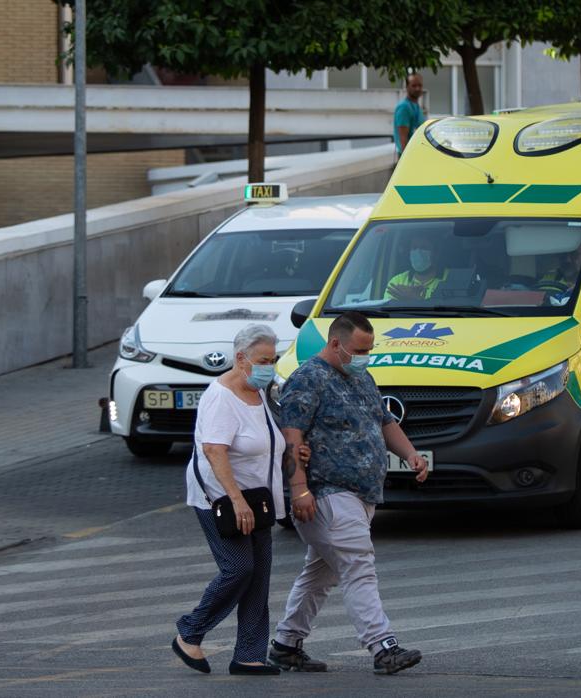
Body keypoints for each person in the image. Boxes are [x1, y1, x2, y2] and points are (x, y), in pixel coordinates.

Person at [268, 311, 430, 675]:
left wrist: (410, 454)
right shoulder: (308, 379)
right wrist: (299, 491)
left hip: (361, 495)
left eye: (369, 350)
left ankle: (285, 644)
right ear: (336, 343)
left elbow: (384, 421)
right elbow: (291, 438)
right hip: (326, 493)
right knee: (358, 564)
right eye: (360, 350)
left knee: (319, 574)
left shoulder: (362, 377)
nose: (365, 357)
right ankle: (382, 645)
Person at [172, 324, 306, 677]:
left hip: (258, 499)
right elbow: (214, 451)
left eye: (273, 359)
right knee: (239, 569)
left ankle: (249, 655)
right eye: (263, 359)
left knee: (258, 576)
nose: (270, 366)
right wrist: (236, 500)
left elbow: (264, 438)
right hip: (221, 497)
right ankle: (190, 631)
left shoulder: (258, 390)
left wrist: (290, 449)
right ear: (241, 358)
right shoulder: (221, 396)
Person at [386, 236, 446, 301]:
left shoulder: (450, 278)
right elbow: (387, 310)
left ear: (435, 253)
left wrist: (416, 301)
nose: (418, 252)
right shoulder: (397, 282)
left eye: (424, 248)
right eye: (414, 248)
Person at [393, 73, 425, 159]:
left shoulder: (416, 106)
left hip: (416, 155)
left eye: (420, 85)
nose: (417, 88)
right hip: (407, 157)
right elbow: (403, 139)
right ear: (407, 87)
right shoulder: (404, 107)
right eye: (414, 86)